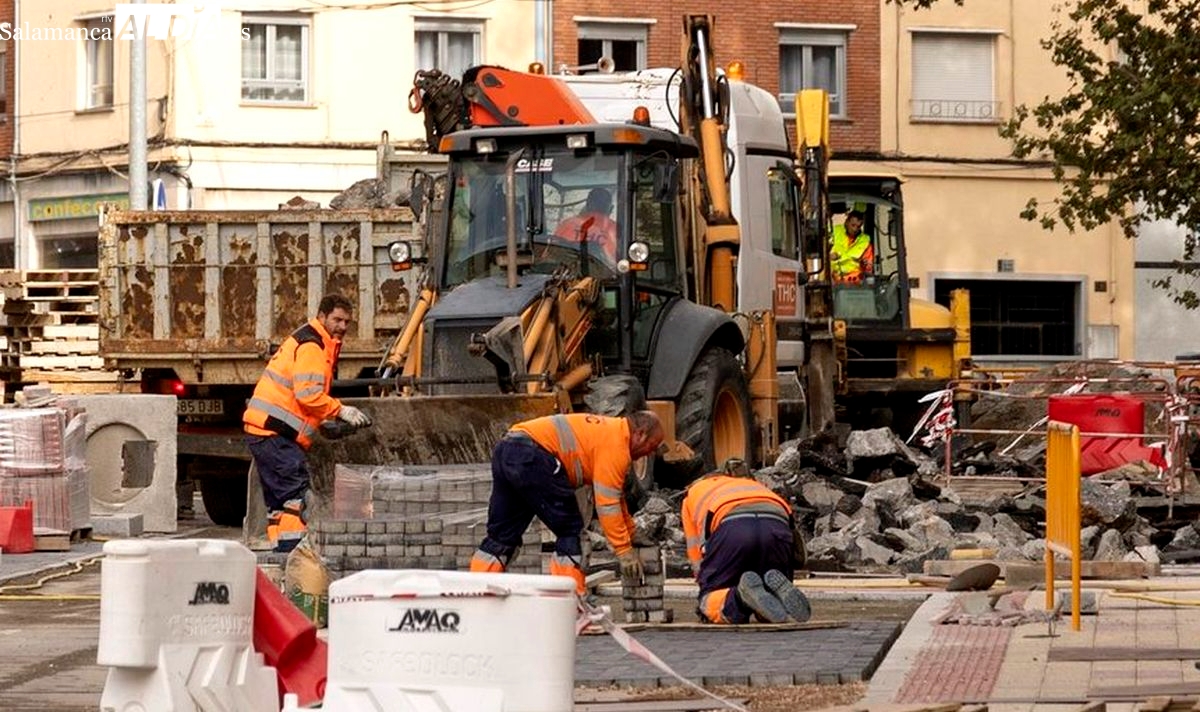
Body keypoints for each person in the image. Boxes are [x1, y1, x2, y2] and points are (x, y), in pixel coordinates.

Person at [469, 411, 665, 594]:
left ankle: (475, 595)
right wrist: (624, 551)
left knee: (501, 537)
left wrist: (632, 533)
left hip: (508, 449)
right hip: (534, 456)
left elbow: (615, 496)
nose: (650, 453)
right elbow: (607, 504)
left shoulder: (609, 431)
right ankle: (571, 606)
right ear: (640, 434)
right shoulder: (617, 445)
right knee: (571, 534)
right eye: (653, 446)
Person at [242, 294, 373, 550]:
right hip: (275, 434)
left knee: (280, 505)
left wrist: (320, 421)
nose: (342, 326)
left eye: (347, 321)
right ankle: (293, 555)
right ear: (322, 317)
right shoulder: (313, 346)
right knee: (296, 499)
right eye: (337, 319)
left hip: (267, 431)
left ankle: (281, 556)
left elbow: (300, 397)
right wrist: (340, 410)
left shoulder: (312, 341)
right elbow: (308, 394)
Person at [681, 469, 811, 624]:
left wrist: (705, 583)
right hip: (776, 526)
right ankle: (774, 598)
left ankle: (739, 599)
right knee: (766, 583)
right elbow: (794, 536)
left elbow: (695, 548)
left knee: (710, 598)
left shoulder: (692, 495)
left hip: (733, 528)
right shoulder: (750, 484)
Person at [554, 187, 619, 260]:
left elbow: (553, 251)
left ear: (587, 204)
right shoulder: (616, 229)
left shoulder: (567, 224)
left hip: (568, 268)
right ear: (611, 209)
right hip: (602, 268)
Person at [830, 210, 874, 284]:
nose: (855, 229)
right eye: (853, 225)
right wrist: (829, 257)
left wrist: (865, 264)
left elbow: (869, 266)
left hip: (854, 282)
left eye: (858, 226)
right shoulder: (834, 232)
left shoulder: (865, 241)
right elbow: (822, 251)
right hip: (833, 279)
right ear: (846, 222)